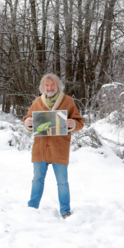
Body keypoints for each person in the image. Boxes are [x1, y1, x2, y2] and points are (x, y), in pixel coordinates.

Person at [23, 74, 84, 219]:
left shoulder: (68, 101)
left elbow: (79, 122)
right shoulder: (38, 101)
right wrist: (28, 123)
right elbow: (27, 119)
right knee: (37, 179)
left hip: (59, 148)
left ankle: (65, 210)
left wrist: (72, 124)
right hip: (41, 148)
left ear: (58, 86)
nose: (50, 88)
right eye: (47, 85)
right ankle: (32, 207)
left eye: (52, 85)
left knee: (62, 182)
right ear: (43, 87)